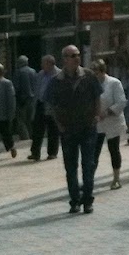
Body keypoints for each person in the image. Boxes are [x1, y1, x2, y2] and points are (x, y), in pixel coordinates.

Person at [49, 45, 103, 214]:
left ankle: (87, 200)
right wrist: (59, 124)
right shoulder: (57, 80)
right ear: (65, 59)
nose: (77, 58)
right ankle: (75, 201)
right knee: (70, 167)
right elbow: (52, 104)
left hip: (87, 128)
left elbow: (97, 97)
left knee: (88, 165)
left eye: (78, 55)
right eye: (73, 55)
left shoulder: (89, 76)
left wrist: (96, 116)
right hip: (68, 130)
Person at [93, 54, 128, 192]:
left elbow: (121, 102)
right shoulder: (91, 84)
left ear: (102, 71)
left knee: (113, 149)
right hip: (97, 122)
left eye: (96, 72)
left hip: (112, 121)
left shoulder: (114, 83)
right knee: (93, 152)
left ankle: (116, 178)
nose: (94, 75)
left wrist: (106, 113)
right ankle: (89, 179)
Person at [28, 53, 59, 161]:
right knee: (37, 129)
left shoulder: (59, 74)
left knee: (52, 129)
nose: (41, 65)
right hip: (40, 104)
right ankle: (35, 153)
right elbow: (36, 88)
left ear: (50, 64)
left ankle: (52, 153)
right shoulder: (40, 74)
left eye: (43, 63)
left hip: (52, 105)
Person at [11, 55, 38, 141]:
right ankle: (32, 137)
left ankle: (25, 138)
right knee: (30, 120)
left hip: (22, 100)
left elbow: (16, 87)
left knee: (21, 121)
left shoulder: (18, 72)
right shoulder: (33, 71)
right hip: (32, 99)